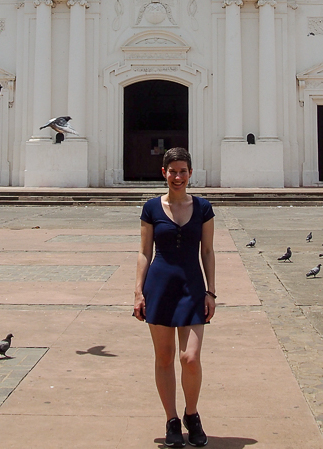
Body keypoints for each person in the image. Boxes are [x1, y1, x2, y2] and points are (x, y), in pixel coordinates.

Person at [135, 148, 215, 448]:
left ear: (190, 173)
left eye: (183, 171)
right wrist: (138, 292)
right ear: (164, 173)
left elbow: (207, 251)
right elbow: (144, 253)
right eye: (172, 171)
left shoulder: (204, 208)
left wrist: (211, 291)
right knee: (164, 357)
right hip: (160, 287)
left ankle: (191, 415)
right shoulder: (151, 208)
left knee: (190, 358)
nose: (178, 176)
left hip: (193, 288)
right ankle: (171, 420)